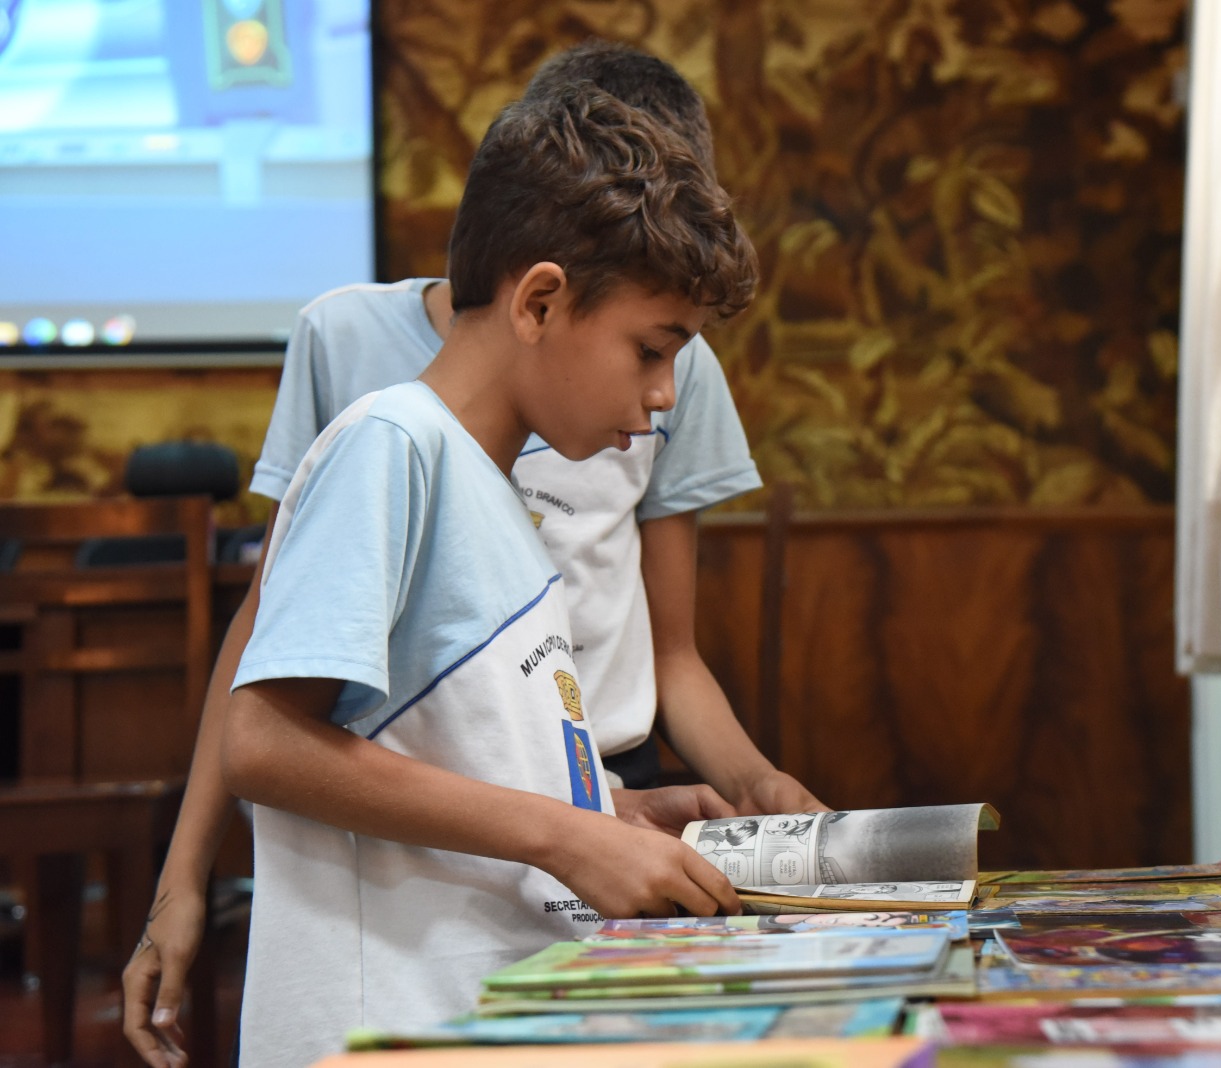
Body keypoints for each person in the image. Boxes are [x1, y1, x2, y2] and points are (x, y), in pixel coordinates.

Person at [123, 42, 825, 1068]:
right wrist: (566, 835)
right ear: (538, 303)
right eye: (651, 349)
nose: (666, 394)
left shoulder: (492, 492)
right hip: (379, 1031)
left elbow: (453, 757)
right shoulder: (391, 444)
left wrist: (611, 810)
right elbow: (262, 742)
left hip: (480, 1010)